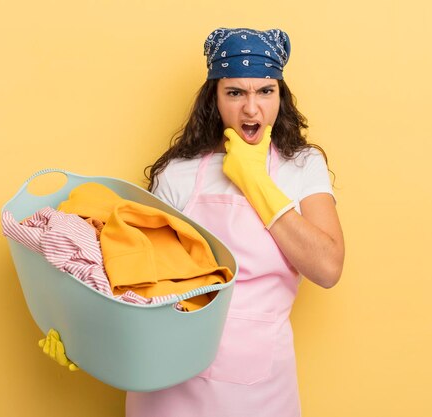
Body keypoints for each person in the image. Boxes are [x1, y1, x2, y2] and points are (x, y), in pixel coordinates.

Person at [125, 27, 345, 417]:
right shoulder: (178, 172)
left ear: (281, 96)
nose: (251, 109)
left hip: (257, 386)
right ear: (214, 97)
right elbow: (143, 279)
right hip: (167, 373)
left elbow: (327, 267)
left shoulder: (302, 167)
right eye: (235, 92)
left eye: (265, 91)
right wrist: (90, 337)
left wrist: (255, 181)